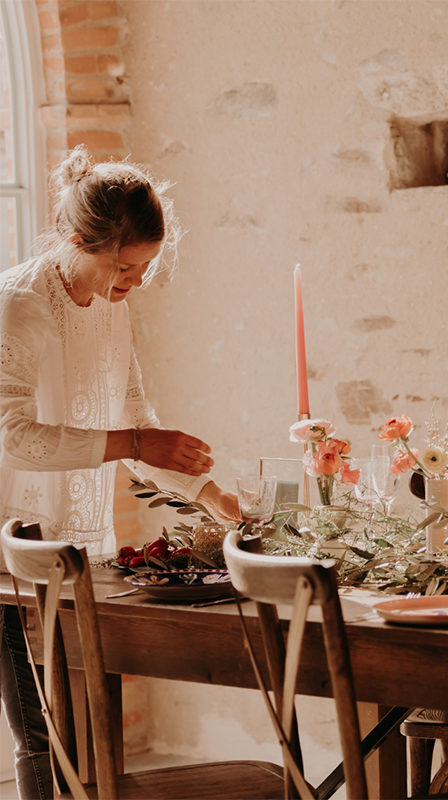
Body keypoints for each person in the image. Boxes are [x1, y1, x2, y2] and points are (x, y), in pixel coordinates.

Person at [0, 145, 239, 799]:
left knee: (85, 728)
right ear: (77, 240)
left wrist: (215, 498)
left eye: (146, 268)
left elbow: (138, 423)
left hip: (76, 550)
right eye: (126, 266)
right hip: (10, 552)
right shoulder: (19, 305)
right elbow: (10, 436)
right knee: (45, 734)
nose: (135, 282)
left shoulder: (111, 305)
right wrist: (135, 439)